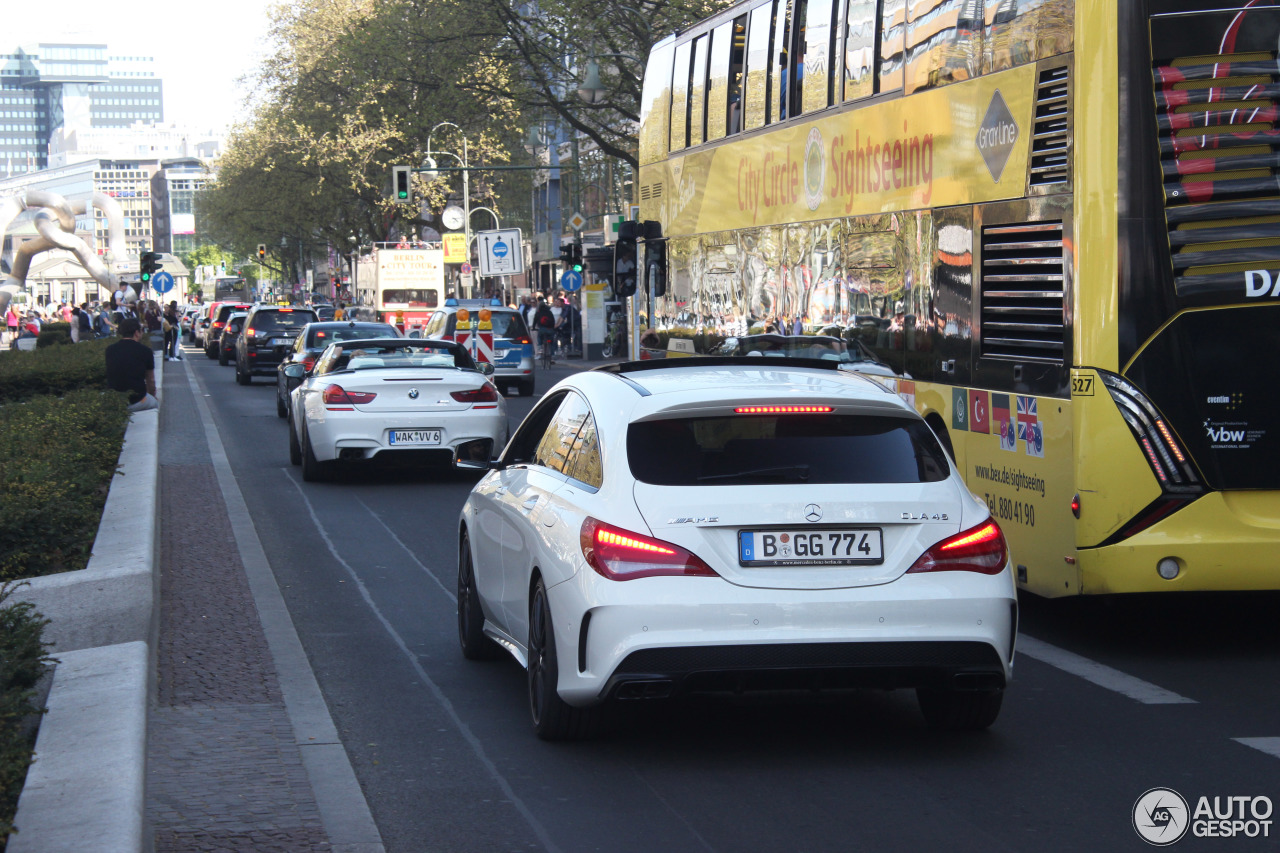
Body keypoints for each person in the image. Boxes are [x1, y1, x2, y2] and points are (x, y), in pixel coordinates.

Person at [105, 317, 158, 412]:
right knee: (155, 403)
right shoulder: (145, 351)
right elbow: (151, 380)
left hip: (115, 400)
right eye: (141, 331)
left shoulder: (110, 350)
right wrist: (152, 395)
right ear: (136, 333)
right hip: (137, 400)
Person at [532, 297, 556, 363]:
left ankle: (540, 348)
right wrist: (553, 328)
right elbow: (553, 320)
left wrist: (533, 327)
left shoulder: (538, 312)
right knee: (551, 343)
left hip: (542, 329)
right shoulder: (549, 312)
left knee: (539, 337)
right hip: (550, 329)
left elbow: (535, 320)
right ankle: (552, 356)